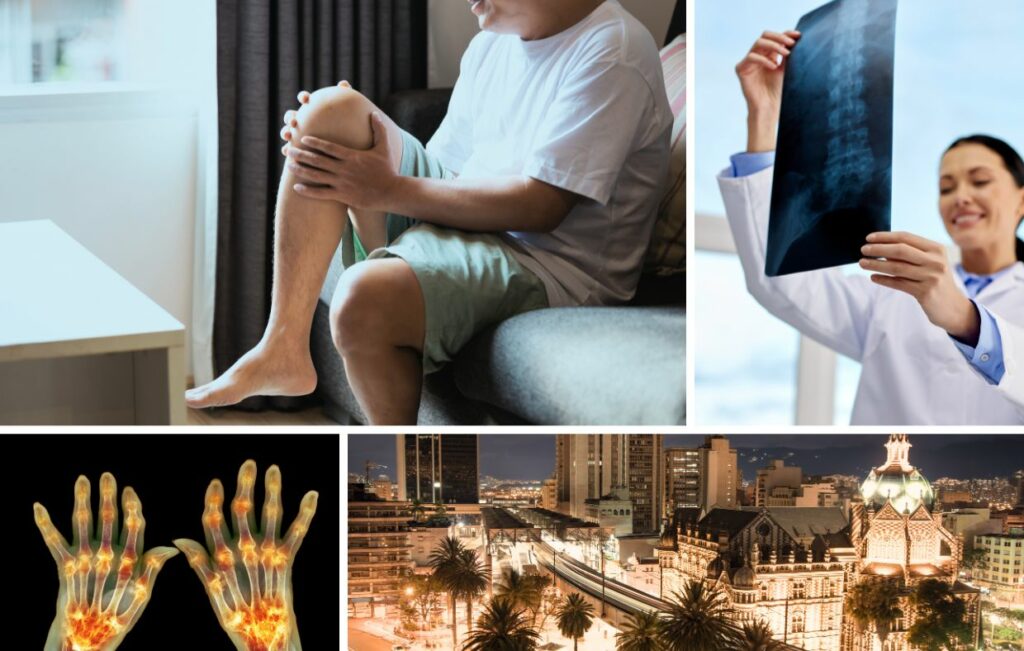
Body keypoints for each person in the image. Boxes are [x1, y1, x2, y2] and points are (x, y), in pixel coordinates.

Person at [185, 0, 673, 424]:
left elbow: (541, 206)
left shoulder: (615, 50)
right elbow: (447, 171)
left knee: (362, 299)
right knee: (330, 113)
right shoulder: (492, 45)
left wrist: (383, 191)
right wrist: (355, 163)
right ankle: (283, 346)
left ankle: (397, 469)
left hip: (549, 264)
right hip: (475, 222)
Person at [720, 30, 1024, 425]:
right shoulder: (894, 292)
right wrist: (763, 116)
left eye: (980, 181)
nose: (960, 197)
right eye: (946, 187)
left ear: (1021, 199)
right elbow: (782, 283)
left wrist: (965, 319)